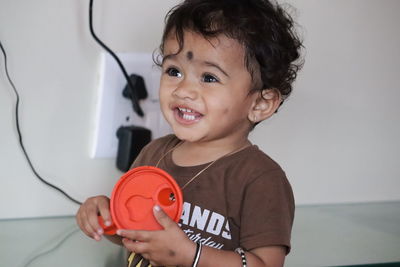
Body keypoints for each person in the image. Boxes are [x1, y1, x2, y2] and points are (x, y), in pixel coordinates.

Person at [76, 0, 303, 266]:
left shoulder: (260, 179)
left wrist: (191, 256)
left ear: (259, 104)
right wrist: (108, 219)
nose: (183, 89)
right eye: (174, 71)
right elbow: (136, 234)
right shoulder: (154, 153)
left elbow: (265, 264)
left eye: (209, 77)